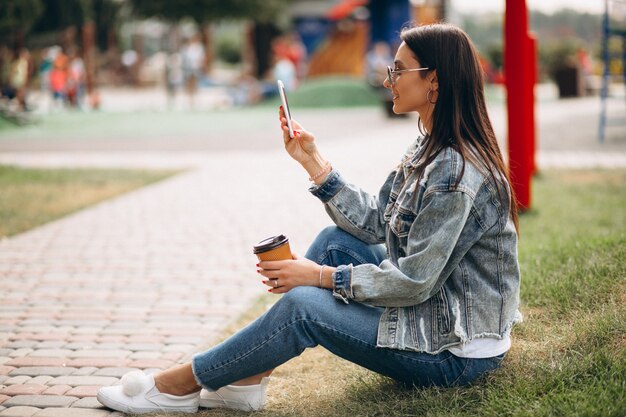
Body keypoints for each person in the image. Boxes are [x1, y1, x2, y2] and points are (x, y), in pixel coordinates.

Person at [97, 23, 522, 414]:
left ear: (435, 80)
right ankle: (246, 379)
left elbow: (414, 282)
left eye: (398, 69)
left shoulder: (454, 170)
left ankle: (181, 385)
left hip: (454, 351)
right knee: (332, 242)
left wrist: (319, 277)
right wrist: (313, 162)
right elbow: (377, 221)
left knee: (304, 305)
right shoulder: (428, 145)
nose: (387, 79)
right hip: (436, 311)